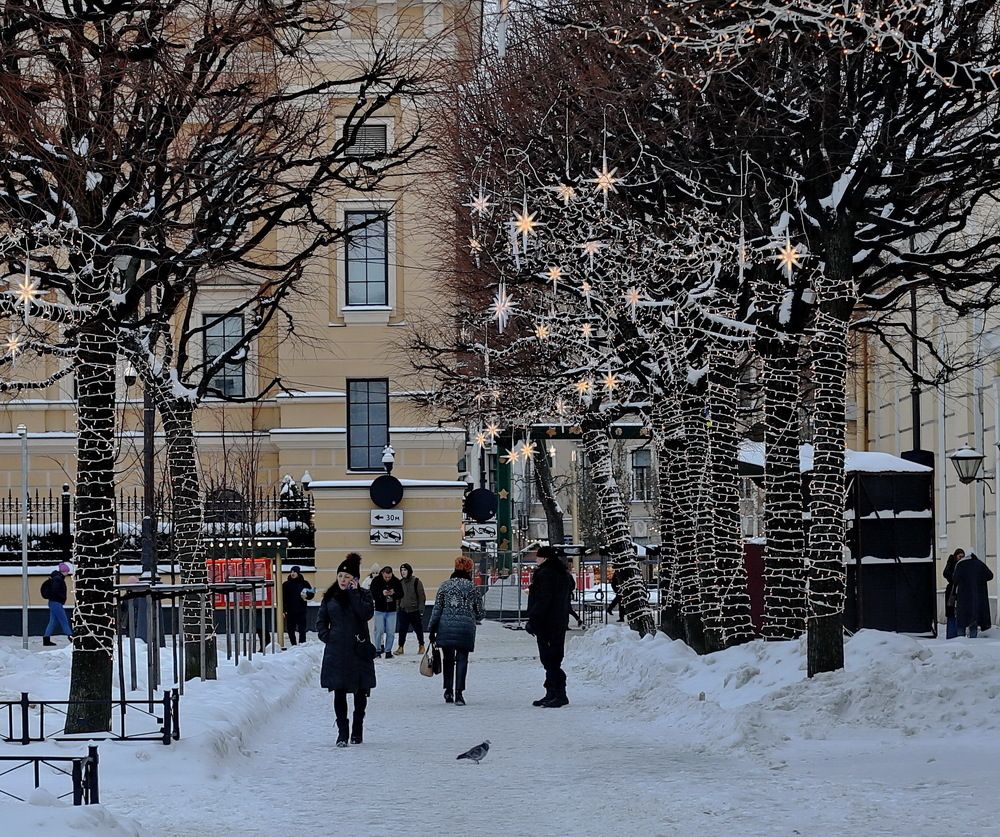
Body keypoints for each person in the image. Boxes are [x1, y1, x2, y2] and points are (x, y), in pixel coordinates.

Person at [316, 553, 376, 747]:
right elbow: (321, 621)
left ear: (355, 579)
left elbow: (365, 614)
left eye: (347, 577)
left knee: (360, 692)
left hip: (358, 650)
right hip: (337, 652)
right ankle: (343, 732)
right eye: (340, 576)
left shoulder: (364, 595)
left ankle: (357, 729)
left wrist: (354, 593)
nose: (342, 580)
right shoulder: (330, 596)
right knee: (339, 692)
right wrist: (327, 636)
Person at [429, 556, 484, 706]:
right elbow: (480, 613)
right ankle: (459, 693)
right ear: (469, 570)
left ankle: (448, 691)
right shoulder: (472, 588)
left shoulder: (445, 586)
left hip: (445, 627)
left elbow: (437, 609)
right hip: (466, 629)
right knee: (462, 659)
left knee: (448, 659)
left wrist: (432, 628)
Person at [526, 545, 575, 708]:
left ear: (545, 558)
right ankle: (552, 692)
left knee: (549, 659)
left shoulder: (545, 574)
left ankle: (559, 694)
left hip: (546, 622)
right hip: (559, 620)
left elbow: (543, 600)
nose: (536, 559)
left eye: (538, 556)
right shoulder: (564, 575)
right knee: (554, 657)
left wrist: (533, 619)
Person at [953, 551, 994, 638]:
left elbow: (955, 579)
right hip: (976, 597)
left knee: (961, 622)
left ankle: (960, 640)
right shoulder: (979, 564)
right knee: (973, 620)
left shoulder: (960, 565)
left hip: (963, 598)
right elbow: (990, 575)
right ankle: (973, 639)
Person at [369, 565, 404, 658]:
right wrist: (381, 593)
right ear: (382, 573)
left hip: (392, 610)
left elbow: (401, 594)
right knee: (379, 630)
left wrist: (394, 593)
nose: (388, 579)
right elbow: (372, 593)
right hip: (380, 610)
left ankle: (388, 651)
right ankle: (377, 650)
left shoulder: (396, 581)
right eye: (386, 577)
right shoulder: (376, 581)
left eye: (389, 577)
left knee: (391, 632)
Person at [395, 563, 426, 655]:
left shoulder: (416, 582)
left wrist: (421, 610)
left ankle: (421, 645)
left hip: (414, 610)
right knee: (402, 630)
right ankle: (400, 647)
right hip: (403, 610)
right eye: (401, 570)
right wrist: (398, 607)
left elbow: (421, 597)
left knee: (418, 629)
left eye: (405, 570)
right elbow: (398, 597)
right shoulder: (400, 583)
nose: (403, 572)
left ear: (409, 571)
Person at [41, 563, 73, 646]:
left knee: (53, 622)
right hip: (56, 602)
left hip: (53, 602)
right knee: (63, 620)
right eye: (67, 571)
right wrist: (60, 597)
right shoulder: (58, 579)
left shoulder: (56, 578)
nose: (68, 573)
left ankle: (46, 639)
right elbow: (55, 590)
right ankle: (71, 636)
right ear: (64, 571)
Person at [282, 566, 314, 646]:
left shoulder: (304, 583)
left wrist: (307, 595)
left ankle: (302, 644)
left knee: (302, 629)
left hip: (301, 610)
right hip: (290, 610)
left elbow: (311, 593)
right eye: (291, 572)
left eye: (294, 572)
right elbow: (282, 597)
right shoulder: (286, 584)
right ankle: (293, 644)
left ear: (298, 573)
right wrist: (283, 609)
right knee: (290, 629)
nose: (292, 573)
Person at [942, 549, 964, 639]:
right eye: (960, 556)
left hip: (959, 590)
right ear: (956, 556)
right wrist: (954, 578)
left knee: (958, 613)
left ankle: (957, 635)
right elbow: (946, 573)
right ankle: (951, 635)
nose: (961, 558)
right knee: (951, 614)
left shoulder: (962, 564)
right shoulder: (952, 563)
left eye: (963, 556)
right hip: (952, 591)